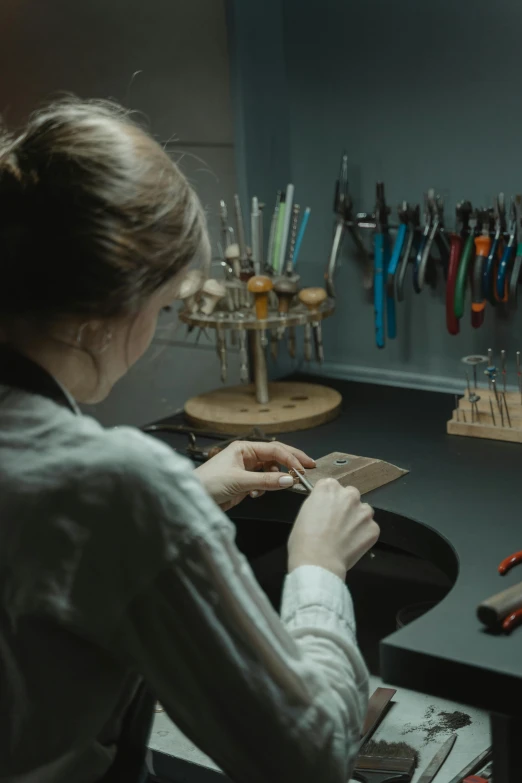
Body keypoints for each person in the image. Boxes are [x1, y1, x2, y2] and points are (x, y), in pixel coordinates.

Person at [0, 98, 380, 783]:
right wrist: (318, 565)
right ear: (110, 309)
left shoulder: (93, 487)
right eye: (165, 305)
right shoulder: (119, 488)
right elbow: (311, 757)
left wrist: (183, 499)